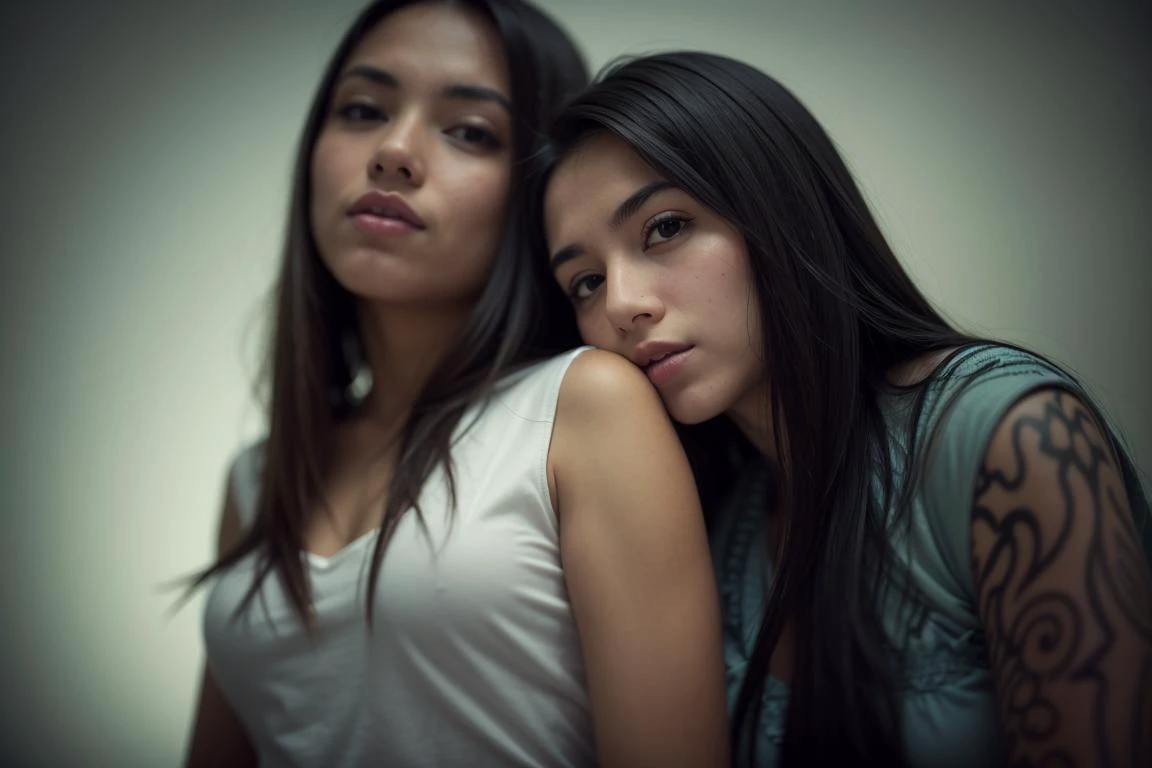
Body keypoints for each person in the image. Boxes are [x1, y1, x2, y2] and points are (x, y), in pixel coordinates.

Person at [539, 51, 1152, 767]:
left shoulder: (1009, 436)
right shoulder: (724, 519)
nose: (620, 304)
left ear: (779, 206)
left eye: (665, 227)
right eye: (584, 281)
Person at [182, 8, 729, 767]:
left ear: (537, 192)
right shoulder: (258, 476)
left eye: (469, 130)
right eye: (364, 111)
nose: (395, 153)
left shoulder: (583, 406)